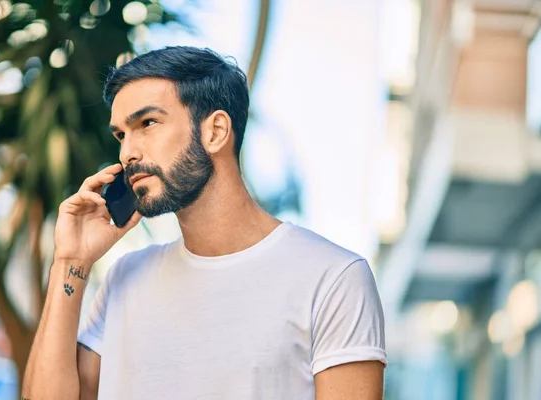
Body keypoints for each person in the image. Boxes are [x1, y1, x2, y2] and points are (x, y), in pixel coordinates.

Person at [22, 46, 387, 399]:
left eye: (147, 123)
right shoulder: (125, 277)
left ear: (215, 132)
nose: (127, 152)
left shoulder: (332, 278)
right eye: (121, 134)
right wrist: (71, 262)